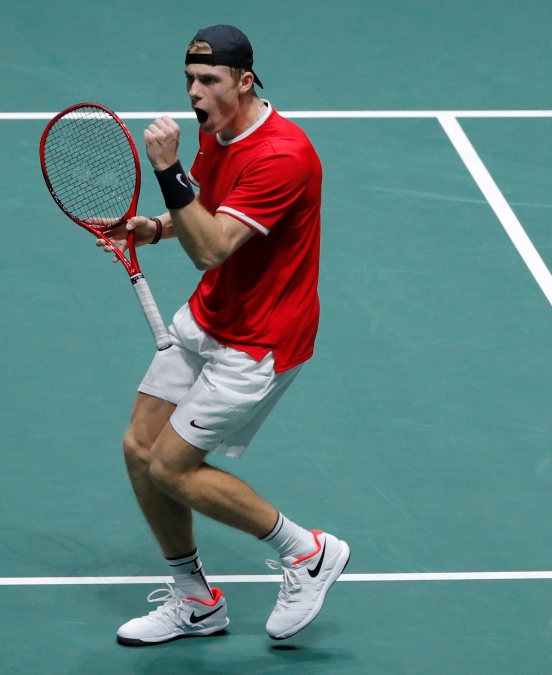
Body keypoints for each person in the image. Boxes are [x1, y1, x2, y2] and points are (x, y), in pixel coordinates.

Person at [96, 25, 350, 646]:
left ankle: (308, 552)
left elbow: (211, 248)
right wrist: (153, 229)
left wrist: (167, 170)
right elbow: (203, 208)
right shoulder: (220, 132)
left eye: (209, 81)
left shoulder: (282, 155)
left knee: (174, 469)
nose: (195, 93)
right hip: (210, 318)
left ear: (244, 79)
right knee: (140, 449)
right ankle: (196, 601)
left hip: (259, 341)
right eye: (189, 80)